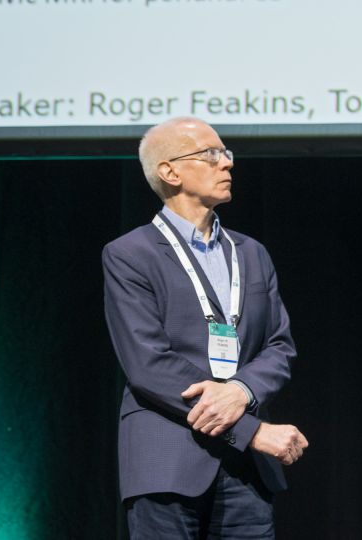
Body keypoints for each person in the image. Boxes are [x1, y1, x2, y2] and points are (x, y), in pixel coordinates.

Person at [103, 116, 309, 538]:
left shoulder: (252, 253)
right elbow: (148, 364)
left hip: (246, 474)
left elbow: (279, 346)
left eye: (226, 154)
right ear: (170, 171)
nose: (227, 164)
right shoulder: (129, 254)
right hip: (168, 463)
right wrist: (250, 431)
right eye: (211, 155)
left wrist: (240, 390)